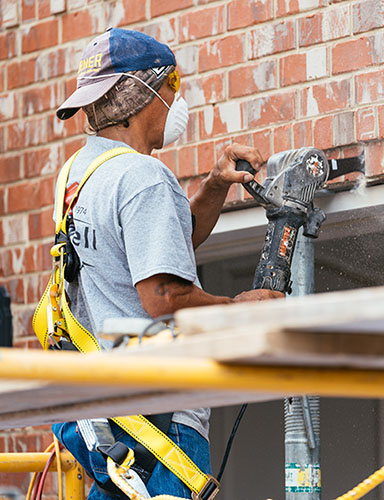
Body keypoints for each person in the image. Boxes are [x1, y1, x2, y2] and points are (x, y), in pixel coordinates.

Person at [51, 27, 283, 499]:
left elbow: (151, 253)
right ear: (143, 95)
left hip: (103, 425)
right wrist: (240, 306)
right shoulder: (143, 176)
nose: (175, 104)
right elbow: (163, 295)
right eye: (173, 89)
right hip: (160, 419)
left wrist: (214, 186)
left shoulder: (77, 176)